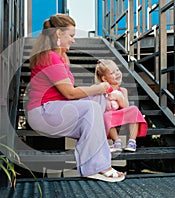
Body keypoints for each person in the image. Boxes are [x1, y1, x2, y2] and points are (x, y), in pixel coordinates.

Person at [26, 13, 125, 182]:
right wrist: (97, 87)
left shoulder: (61, 57)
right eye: (71, 35)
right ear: (58, 34)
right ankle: (96, 166)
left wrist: (100, 90)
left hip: (56, 108)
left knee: (98, 99)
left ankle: (95, 146)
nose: (73, 40)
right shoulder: (50, 57)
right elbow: (70, 93)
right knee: (92, 104)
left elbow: (69, 95)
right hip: (42, 112)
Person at [95, 59, 148, 152]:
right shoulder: (102, 90)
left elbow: (126, 107)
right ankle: (116, 142)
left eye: (117, 70)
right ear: (104, 78)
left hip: (122, 115)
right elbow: (103, 107)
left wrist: (120, 98)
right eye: (112, 73)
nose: (117, 73)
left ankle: (132, 142)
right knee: (106, 115)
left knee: (134, 109)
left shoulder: (123, 90)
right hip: (110, 117)